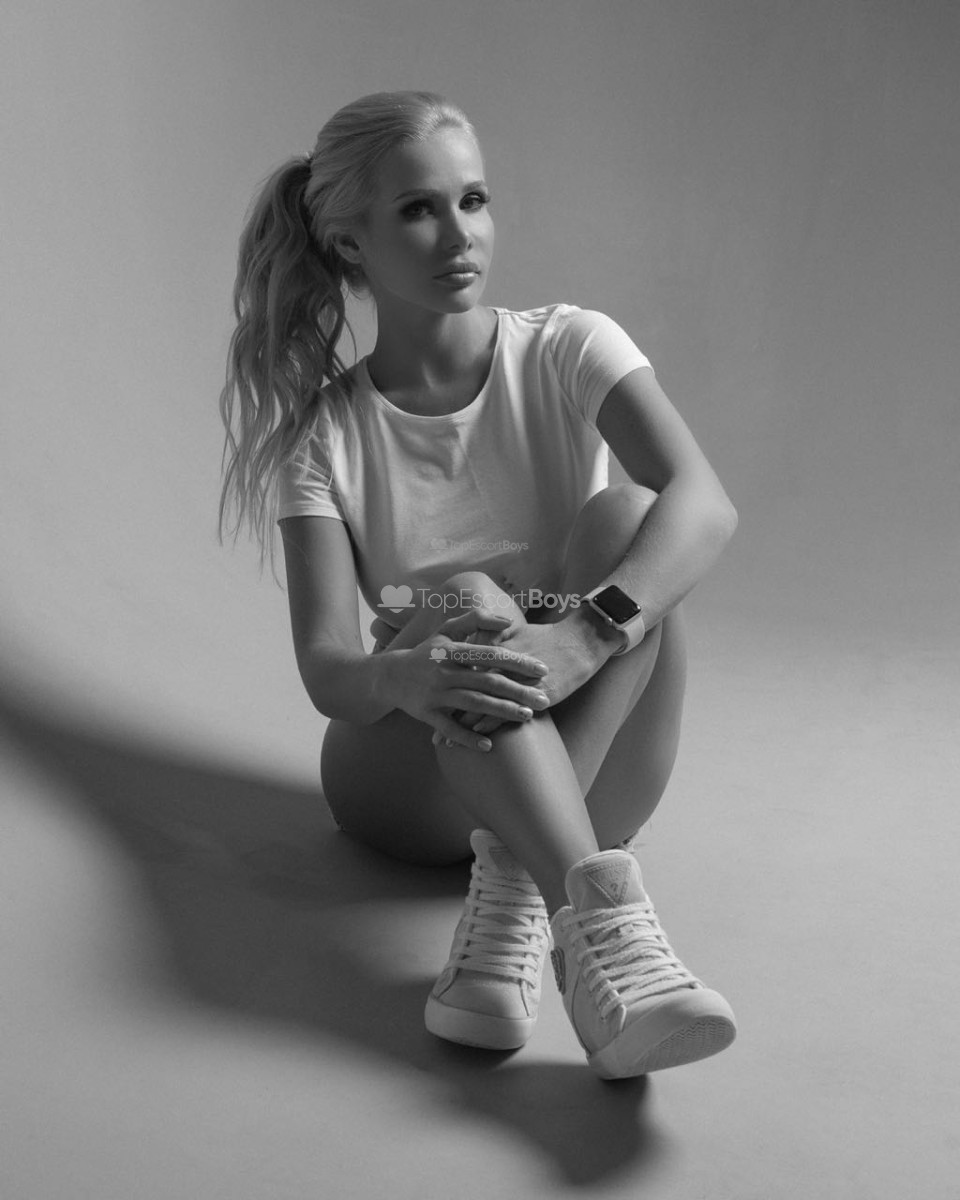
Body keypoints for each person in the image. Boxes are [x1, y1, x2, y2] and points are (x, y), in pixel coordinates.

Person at [218, 90, 739, 1080]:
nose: (460, 235)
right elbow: (329, 667)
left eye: (473, 200)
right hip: (409, 780)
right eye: (418, 209)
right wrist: (403, 678)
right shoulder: (324, 438)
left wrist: (586, 633)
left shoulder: (568, 344)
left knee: (633, 518)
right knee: (464, 599)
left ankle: (518, 881)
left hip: (597, 745)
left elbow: (705, 505)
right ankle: (607, 933)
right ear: (350, 242)